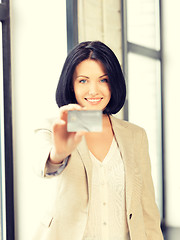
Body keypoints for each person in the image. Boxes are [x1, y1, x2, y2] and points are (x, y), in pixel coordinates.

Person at [33, 41, 164, 240]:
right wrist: (59, 153)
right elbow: (40, 165)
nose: (94, 91)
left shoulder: (135, 135)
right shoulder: (55, 126)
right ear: (71, 84)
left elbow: (147, 211)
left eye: (103, 80)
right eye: (83, 81)